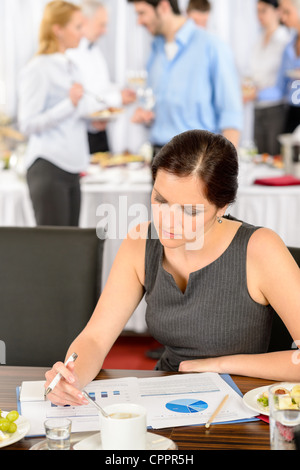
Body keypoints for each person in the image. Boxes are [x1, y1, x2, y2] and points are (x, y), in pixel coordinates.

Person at [44, 129, 300, 407]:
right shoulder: (141, 242)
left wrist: (219, 364)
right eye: (160, 200)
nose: (168, 221)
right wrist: (71, 378)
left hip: (242, 402)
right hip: (166, 397)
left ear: (222, 207)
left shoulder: (260, 249)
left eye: (190, 211)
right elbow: (95, 338)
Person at [18, 1, 100, 226]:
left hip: (73, 168)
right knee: (53, 249)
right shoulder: (38, 68)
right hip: (49, 167)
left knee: (69, 246)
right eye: (77, 26)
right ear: (58, 29)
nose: (82, 33)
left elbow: (75, 115)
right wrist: (69, 104)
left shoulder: (72, 66)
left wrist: (96, 123)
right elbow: (27, 124)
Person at [128, 0, 242, 154]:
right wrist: (147, 114)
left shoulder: (212, 46)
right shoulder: (154, 51)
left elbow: (231, 113)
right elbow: (156, 105)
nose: (139, 21)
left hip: (197, 157)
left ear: (163, 6)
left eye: (142, 13)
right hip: (159, 155)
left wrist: (227, 171)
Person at [67, 0, 136, 154]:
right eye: (101, 24)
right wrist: (117, 98)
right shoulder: (71, 54)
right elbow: (79, 100)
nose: (105, 31)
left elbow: (100, 87)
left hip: (98, 134)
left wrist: (121, 91)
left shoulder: (95, 50)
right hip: (79, 140)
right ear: (85, 21)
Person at [245, 0, 291, 155]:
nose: (259, 15)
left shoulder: (285, 40)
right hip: (257, 107)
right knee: (260, 156)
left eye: (263, 10)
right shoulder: (258, 38)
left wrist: (257, 93)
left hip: (276, 109)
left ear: (277, 11)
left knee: (275, 156)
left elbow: (284, 84)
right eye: (257, 11)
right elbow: (252, 72)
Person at [259, 0, 300, 133]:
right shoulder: (289, 46)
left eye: (287, 12)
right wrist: (257, 94)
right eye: (281, 12)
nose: (282, 18)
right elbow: (280, 88)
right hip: (291, 112)